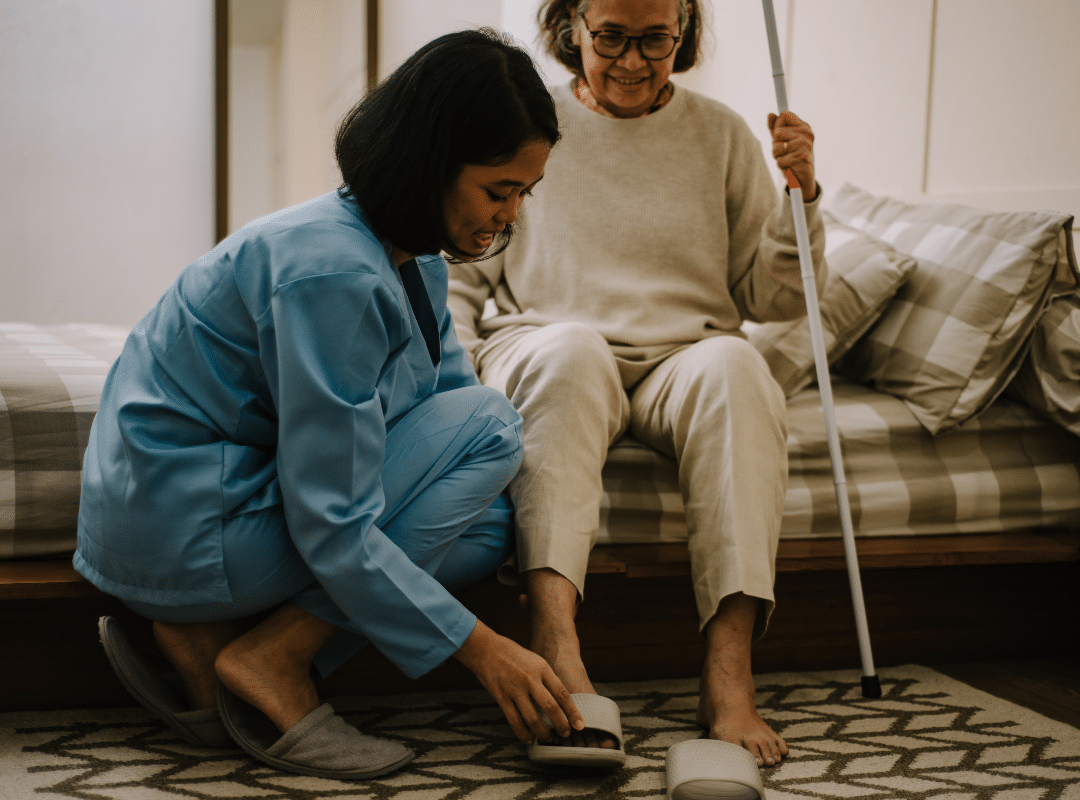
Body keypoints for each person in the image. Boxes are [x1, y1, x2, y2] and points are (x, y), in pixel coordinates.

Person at [74, 29, 584, 782]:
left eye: (522, 195)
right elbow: (335, 516)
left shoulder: (409, 264)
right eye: (497, 190)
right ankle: (270, 661)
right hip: (181, 521)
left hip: (192, 510)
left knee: (486, 530)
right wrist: (483, 649)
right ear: (431, 165)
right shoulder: (332, 272)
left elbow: (437, 409)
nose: (509, 217)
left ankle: (236, 648)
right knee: (493, 425)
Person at [447, 0, 827, 769]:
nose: (630, 60)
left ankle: (729, 677)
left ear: (682, 32)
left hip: (683, 353)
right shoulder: (532, 121)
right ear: (572, 27)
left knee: (739, 365)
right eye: (610, 37)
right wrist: (450, 376)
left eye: (654, 39)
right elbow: (463, 263)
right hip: (548, 338)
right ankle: (558, 647)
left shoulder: (720, 134)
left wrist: (802, 198)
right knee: (574, 354)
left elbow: (776, 299)